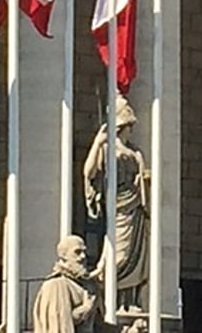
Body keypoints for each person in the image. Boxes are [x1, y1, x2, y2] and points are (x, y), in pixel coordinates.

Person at [83, 94, 150, 310]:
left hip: (136, 208)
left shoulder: (136, 152)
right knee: (118, 255)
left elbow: (141, 179)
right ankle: (103, 295)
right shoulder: (107, 148)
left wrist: (146, 180)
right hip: (119, 207)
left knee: (136, 255)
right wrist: (97, 143)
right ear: (122, 126)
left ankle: (128, 302)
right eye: (129, 126)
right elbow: (89, 171)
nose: (131, 130)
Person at [31, 235, 102, 333]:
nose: (83, 256)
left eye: (84, 252)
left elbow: (98, 326)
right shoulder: (55, 285)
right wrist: (86, 308)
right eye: (77, 252)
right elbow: (58, 324)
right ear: (63, 255)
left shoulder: (88, 286)